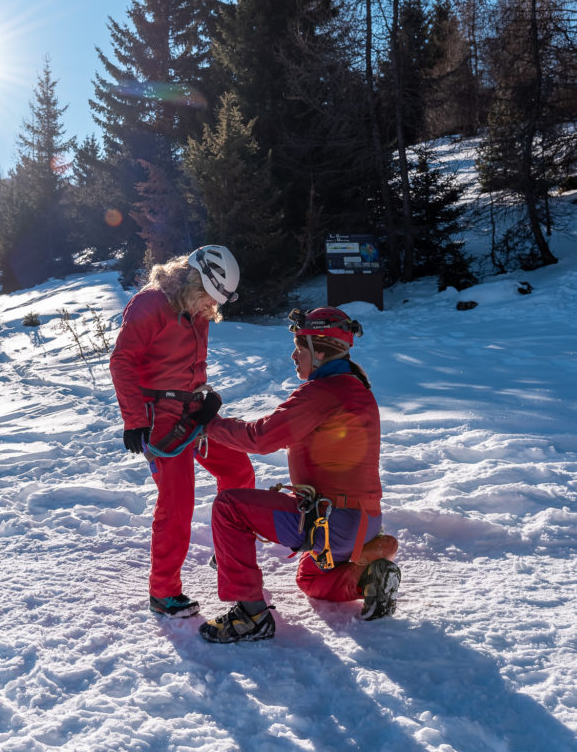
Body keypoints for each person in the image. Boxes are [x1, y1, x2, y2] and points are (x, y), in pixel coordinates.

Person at [197, 306, 400, 643]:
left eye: (299, 347)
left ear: (319, 351)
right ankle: (368, 577)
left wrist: (209, 424)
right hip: (365, 522)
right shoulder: (356, 388)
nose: (294, 355)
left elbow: (260, 438)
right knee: (309, 579)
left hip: (333, 523)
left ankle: (251, 616)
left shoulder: (322, 392)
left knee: (229, 507)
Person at [110, 245, 256, 619]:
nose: (211, 306)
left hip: (193, 413)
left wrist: (203, 399)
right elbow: (122, 360)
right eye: (209, 296)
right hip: (159, 418)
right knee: (177, 502)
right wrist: (134, 421)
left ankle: (228, 551)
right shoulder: (150, 305)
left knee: (238, 471)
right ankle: (163, 592)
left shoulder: (196, 306)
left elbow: (188, 363)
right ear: (194, 278)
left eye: (215, 300)